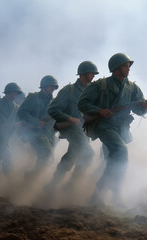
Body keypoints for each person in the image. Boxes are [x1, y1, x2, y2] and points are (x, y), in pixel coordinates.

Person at [77, 53, 147, 205]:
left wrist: (144, 107)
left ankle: (106, 195)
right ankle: (102, 192)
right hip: (103, 125)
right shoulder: (100, 85)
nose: (129, 68)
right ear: (117, 68)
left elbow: (139, 111)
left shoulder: (132, 88)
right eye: (126, 65)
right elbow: (82, 104)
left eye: (129, 66)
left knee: (114, 160)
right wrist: (99, 110)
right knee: (121, 151)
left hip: (120, 127)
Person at [45, 61, 99, 192]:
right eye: (91, 73)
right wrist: (71, 119)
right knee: (88, 154)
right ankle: (70, 186)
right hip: (71, 127)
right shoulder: (69, 90)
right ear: (83, 74)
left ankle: (52, 184)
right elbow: (53, 110)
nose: (93, 76)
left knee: (72, 155)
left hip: (83, 129)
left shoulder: (91, 91)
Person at [17, 75, 58, 180]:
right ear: (44, 87)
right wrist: (36, 122)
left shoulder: (53, 102)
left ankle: (29, 175)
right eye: (51, 86)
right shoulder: (33, 98)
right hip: (32, 132)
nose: (53, 89)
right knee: (46, 153)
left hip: (46, 134)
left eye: (54, 87)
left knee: (49, 159)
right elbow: (21, 113)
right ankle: (30, 178)